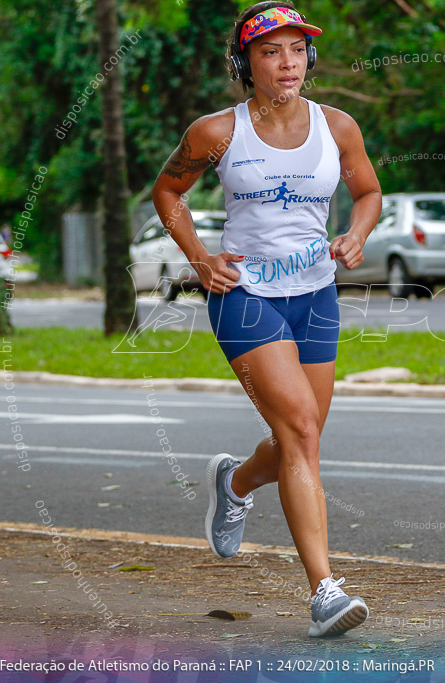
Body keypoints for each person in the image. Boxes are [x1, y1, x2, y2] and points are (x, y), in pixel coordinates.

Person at [150, 1, 382, 637]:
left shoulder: (338, 127)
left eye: (297, 49)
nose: (288, 62)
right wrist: (199, 258)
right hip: (245, 294)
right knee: (302, 428)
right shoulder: (216, 133)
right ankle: (324, 592)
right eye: (270, 51)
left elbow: (368, 193)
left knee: (295, 441)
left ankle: (234, 483)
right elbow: (167, 191)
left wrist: (357, 234)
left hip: (316, 294)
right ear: (245, 62)